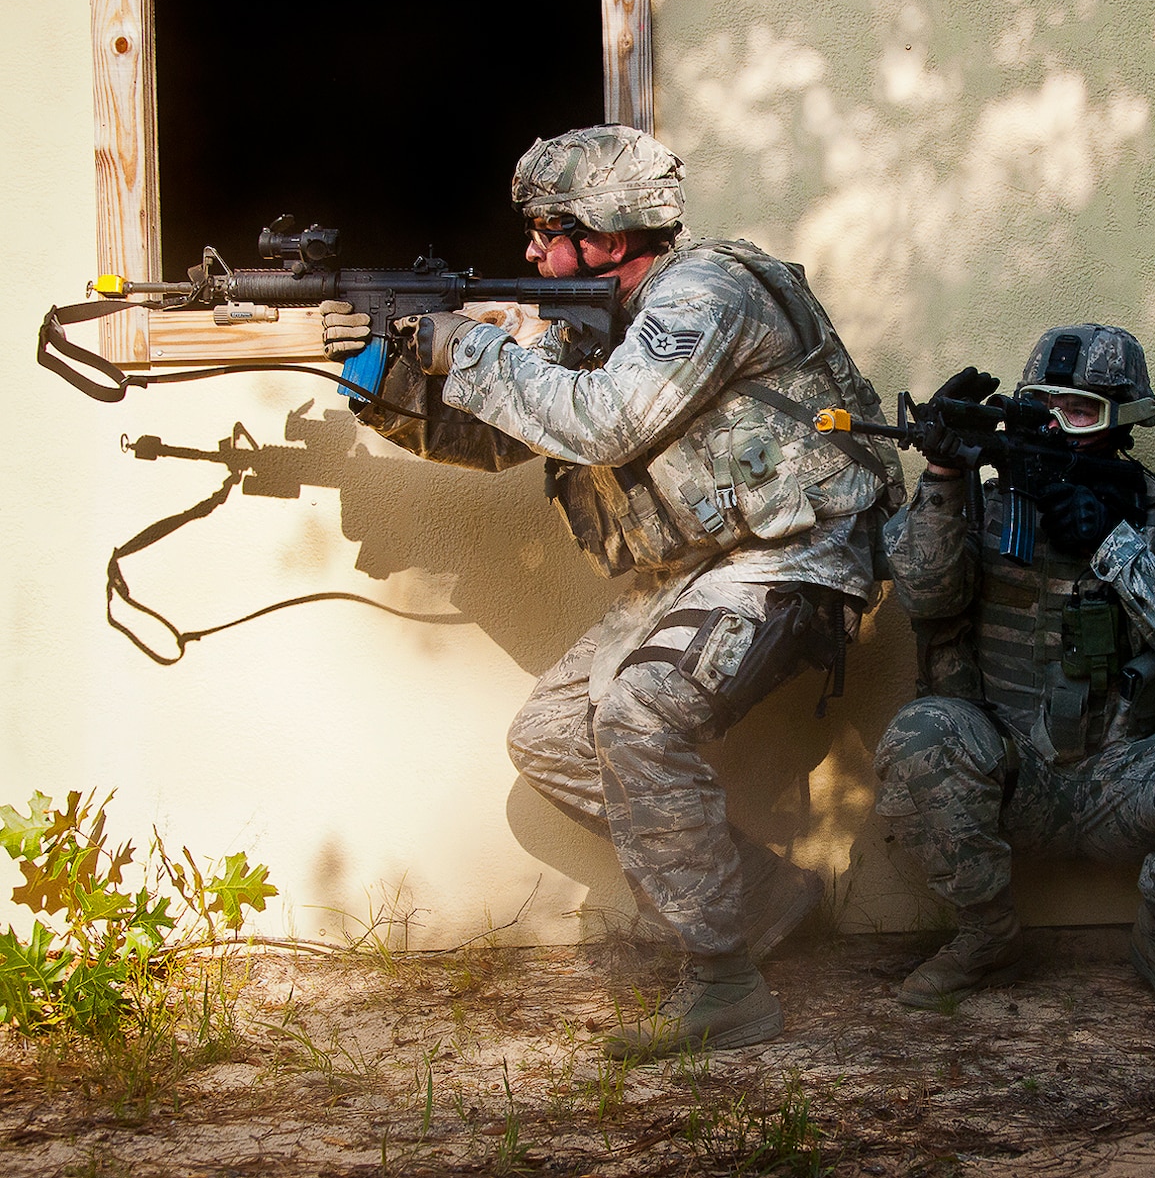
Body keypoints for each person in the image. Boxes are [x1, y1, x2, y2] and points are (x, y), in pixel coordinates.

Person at [320, 124, 905, 1058]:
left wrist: (467, 347)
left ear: (606, 232)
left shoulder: (704, 294)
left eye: (545, 227)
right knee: (548, 734)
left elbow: (606, 422)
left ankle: (724, 984)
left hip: (798, 559)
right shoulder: (594, 319)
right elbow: (505, 439)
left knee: (636, 709)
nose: (528, 250)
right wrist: (382, 384)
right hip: (699, 572)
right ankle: (757, 898)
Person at [872, 325, 1155, 1018]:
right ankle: (987, 935)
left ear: (1125, 420)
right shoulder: (982, 501)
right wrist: (945, 478)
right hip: (1014, 769)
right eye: (1044, 408)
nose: (1058, 428)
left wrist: (1112, 541)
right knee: (918, 737)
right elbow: (925, 597)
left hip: (1125, 776)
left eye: (1081, 412)